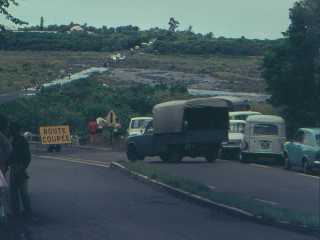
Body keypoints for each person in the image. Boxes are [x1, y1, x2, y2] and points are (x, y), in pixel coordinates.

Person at [9, 122, 32, 217]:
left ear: (16, 130)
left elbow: (28, 157)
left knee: (23, 192)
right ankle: (17, 212)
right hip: (14, 167)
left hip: (20, 166)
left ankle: (27, 211)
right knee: (14, 192)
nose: (11, 131)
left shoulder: (21, 140)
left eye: (12, 129)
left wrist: (22, 167)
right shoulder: (13, 140)